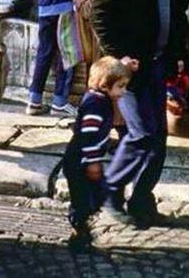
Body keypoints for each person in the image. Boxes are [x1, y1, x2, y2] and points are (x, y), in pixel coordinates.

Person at [91, 0, 187, 228]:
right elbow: (99, 13)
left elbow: (176, 14)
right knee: (138, 135)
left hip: (158, 66)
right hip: (129, 71)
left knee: (157, 138)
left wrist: (178, 54)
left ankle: (142, 199)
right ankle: (112, 194)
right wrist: (118, 57)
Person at [62, 56, 130, 250]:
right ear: (104, 85)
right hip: (80, 162)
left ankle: (82, 225)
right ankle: (78, 232)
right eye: (120, 87)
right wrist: (93, 162)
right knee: (83, 198)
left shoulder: (99, 98)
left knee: (97, 193)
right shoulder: (96, 105)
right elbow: (89, 135)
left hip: (86, 159)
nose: (123, 92)